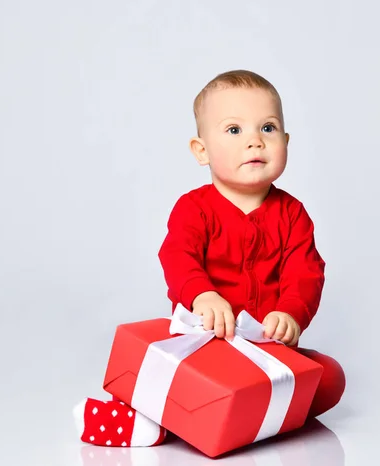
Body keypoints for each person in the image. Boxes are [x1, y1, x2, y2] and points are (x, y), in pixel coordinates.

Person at [73, 70, 346, 447]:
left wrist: (290, 313)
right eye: (234, 130)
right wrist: (202, 296)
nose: (254, 141)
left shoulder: (292, 214)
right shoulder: (194, 209)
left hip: (265, 350)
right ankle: (166, 421)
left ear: (285, 141)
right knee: (162, 367)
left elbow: (307, 271)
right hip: (207, 344)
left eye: (268, 128)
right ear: (201, 150)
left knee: (329, 376)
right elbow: (178, 256)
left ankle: (224, 421)